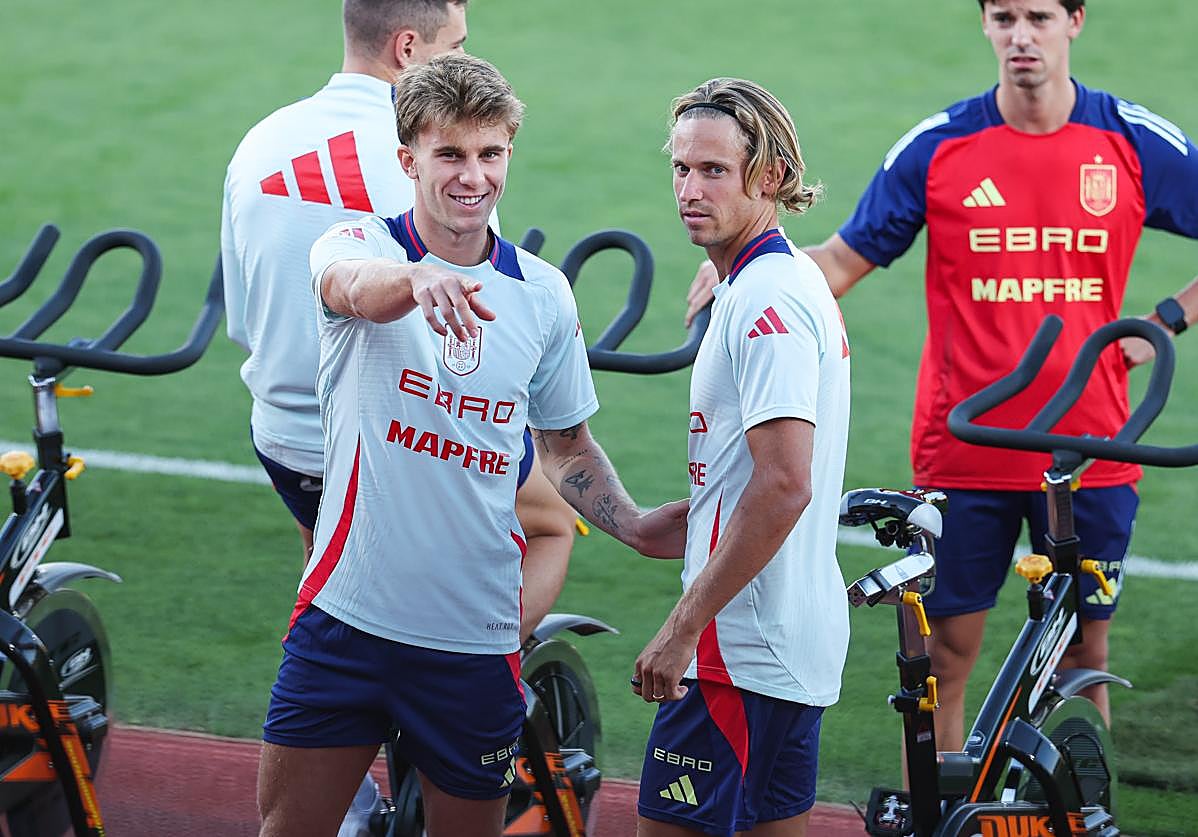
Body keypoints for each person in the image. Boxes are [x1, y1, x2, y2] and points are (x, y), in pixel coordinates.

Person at [680, 0, 1198, 752]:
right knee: (946, 656)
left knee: (1084, 658)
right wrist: (745, 261)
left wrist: (1165, 322)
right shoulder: (941, 146)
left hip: (1094, 447)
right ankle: (941, 813)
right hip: (967, 447)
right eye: (1006, 16)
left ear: (1075, 21)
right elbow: (841, 261)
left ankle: (1075, 813)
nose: (1023, 35)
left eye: (1041, 16)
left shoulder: (1128, 139)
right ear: (986, 23)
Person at [257, 54, 687, 837]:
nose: (472, 176)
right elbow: (347, 284)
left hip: (474, 643)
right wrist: (416, 281)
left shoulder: (545, 295)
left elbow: (565, 447)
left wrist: (632, 523)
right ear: (407, 159)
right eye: (449, 154)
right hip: (344, 622)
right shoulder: (356, 243)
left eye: (490, 154)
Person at [220, 0, 574, 643]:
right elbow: (471, 338)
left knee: (333, 580)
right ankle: (484, 666)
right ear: (408, 49)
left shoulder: (259, 142)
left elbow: (246, 320)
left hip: (284, 441)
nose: (465, 62)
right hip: (391, 446)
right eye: (456, 46)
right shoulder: (438, 161)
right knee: (552, 523)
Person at [631, 78, 851, 837]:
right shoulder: (785, 281)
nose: (690, 189)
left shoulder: (766, 300)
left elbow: (786, 484)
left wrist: (683, 626)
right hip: (785, 650)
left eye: (714, 171)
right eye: (682, 168)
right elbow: (767, 480)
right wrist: (698, 520)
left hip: (737, 656)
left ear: (772, 176)